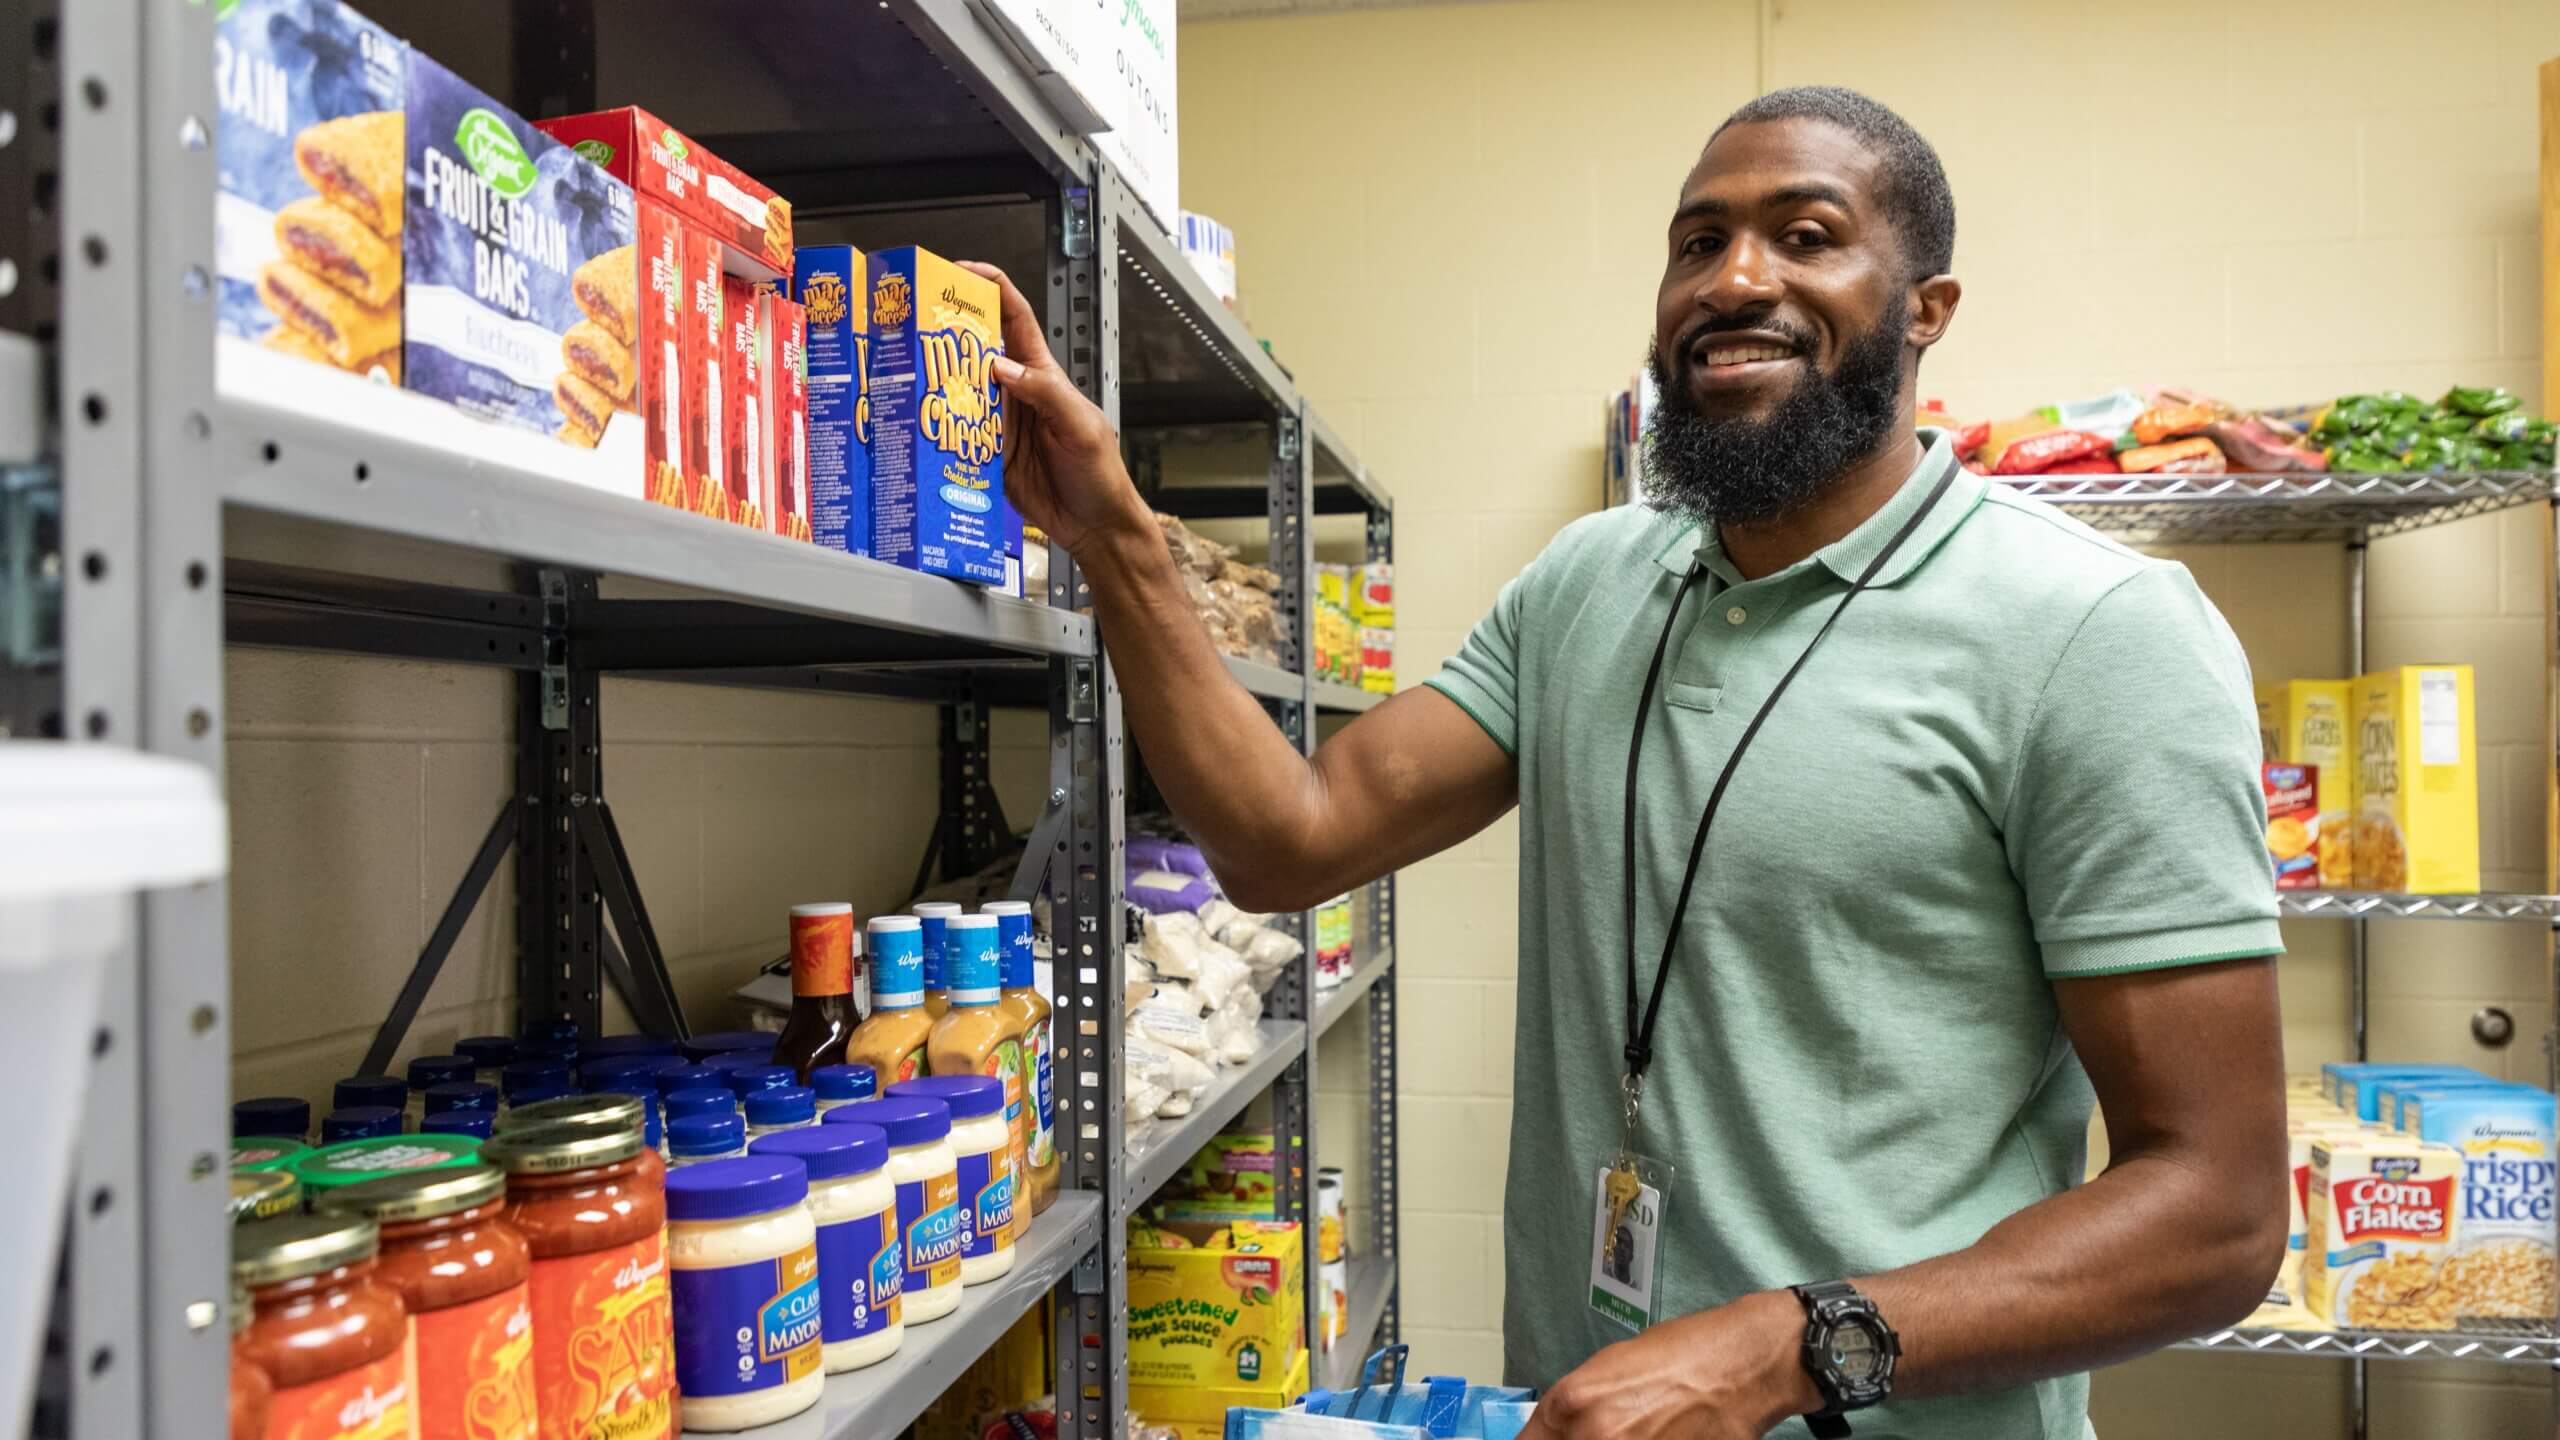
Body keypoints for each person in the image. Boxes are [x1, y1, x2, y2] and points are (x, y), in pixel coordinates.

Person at [962, 83, 2285, 1440]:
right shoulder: (1590, 583)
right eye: (1697, 243)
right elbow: (1290, 838)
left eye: (1807, 235)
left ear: (1926, 308)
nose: (1736, 280)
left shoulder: (2093, 633)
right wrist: (1113, 537)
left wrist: (1788, 1347)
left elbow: (2220, 1213)